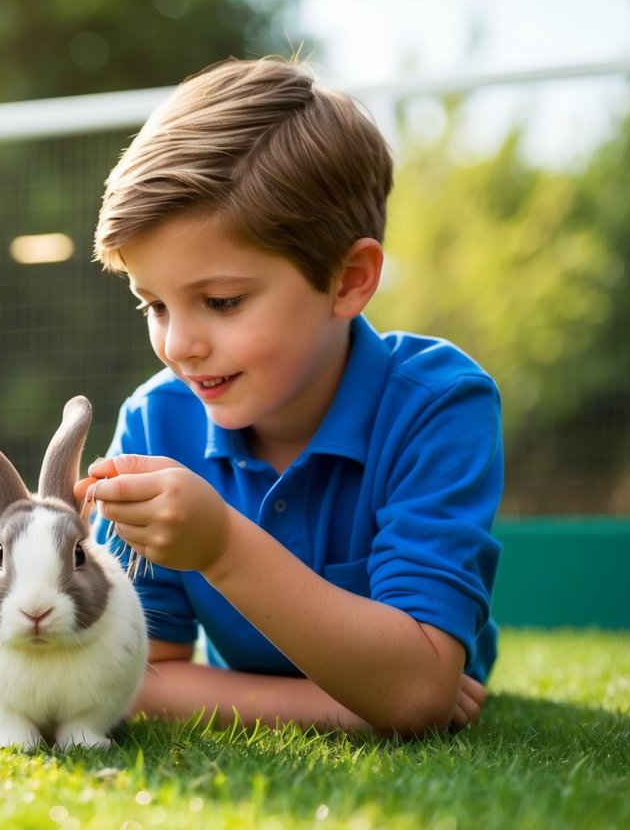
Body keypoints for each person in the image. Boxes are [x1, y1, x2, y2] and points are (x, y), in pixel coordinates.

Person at [81, 57, 502, 737]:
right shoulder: (154, 423)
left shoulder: (438, 404)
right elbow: (131, 679)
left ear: (347, 280)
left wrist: (218, 544)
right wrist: (341, 708)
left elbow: (418, 686)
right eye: (153, 305)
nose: (179, 344)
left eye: (220, 301)